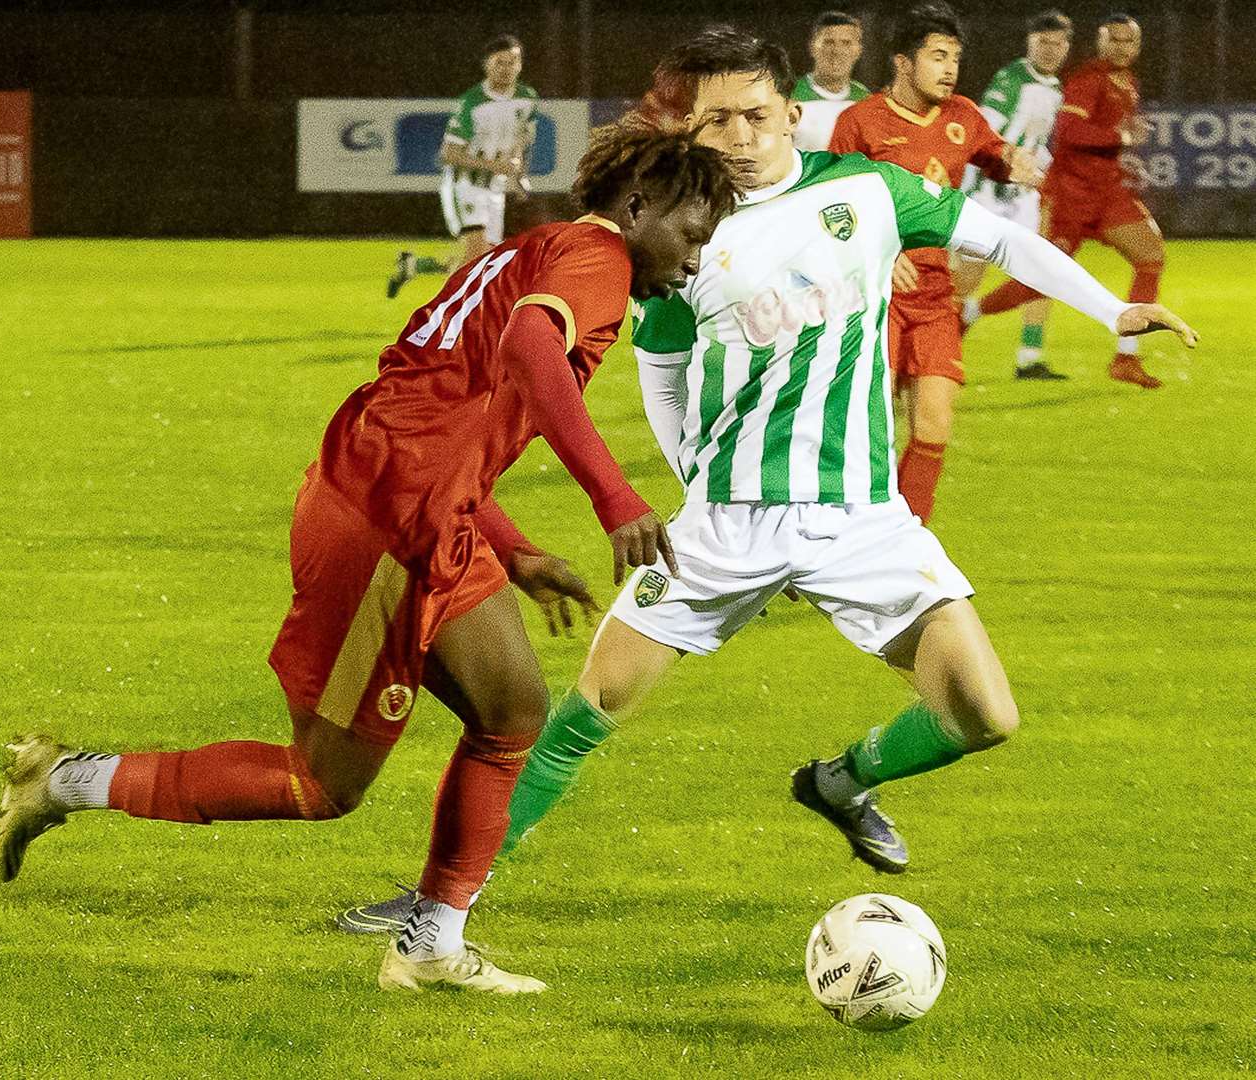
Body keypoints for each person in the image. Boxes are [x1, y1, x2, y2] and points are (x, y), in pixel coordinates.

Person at [336, 23, 1195, 936]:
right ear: (690, 130)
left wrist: (1113, 308)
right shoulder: (680, 232)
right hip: (725, 523)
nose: (739, 138)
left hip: (864, 518)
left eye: (754, 116)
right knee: (591, 706)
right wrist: (691, 482)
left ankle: (840, 781)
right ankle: (438, 902)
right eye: (716, 123)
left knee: (984, 714)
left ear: (791, 114)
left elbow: (1001, 240)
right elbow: (662, 373)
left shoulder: (865, 191)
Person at [0, 127, 741, 995]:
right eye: (691, 237)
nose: (693, 262)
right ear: (636, 207)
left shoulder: (528, 250)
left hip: (413, 500)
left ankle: (429, 946)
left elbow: (437, 409)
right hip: (383, 527)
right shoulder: (597, 262)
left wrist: (515, 548)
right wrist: (617, 498)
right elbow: (534, 352)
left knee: (512, 710)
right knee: (321, 784)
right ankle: (68, 779)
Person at [828, 3, 1044, 522]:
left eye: (955, 58)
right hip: (871, 293)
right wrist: (878, 248)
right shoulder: (859, 122)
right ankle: (825, 539)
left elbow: (997, 155)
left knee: (934, 424)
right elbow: (831, 207)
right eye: (938, 56)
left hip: (933, 292)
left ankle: (907, 539)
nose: (950, 69)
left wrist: (1018, 164)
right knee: (864, 432)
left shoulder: (962, 117)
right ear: (903, 61)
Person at [963, 14, 1166, 389]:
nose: (1121, 47)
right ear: (1100, 42)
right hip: (1057, 196)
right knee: (1037, 277)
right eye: (1114, 40)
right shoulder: (1081, 80)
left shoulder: (1118, 82)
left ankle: (1123, 354)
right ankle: (963, 318)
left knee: (1151, 255)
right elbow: (1070, 132)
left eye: (1129, 41)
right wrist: (1120, 137)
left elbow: (1052, 141)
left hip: (1096, 194)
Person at [955, 9, 1073, 380]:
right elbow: (987, 129)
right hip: (989, 192)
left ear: (1067, 47)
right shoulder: (1012, 80)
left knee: (1041, 270)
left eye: (1057, 44)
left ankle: (1029, 356)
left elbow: (1037, 141)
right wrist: (1009, 163)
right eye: (1043, 43)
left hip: (1023, 196)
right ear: (1029, 44)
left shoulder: (1055, 88)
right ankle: (934, 353)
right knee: (965, 279)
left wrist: (1043, 169)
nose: (1050, 50)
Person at [387, 35, 538, 299]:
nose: (506, 68)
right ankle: (447, 320)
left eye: (512, 62)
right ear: (486, 65)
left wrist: (519, 174)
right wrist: (494, 164)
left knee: (482, 261)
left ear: (520, 65)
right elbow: (449, 154)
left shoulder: (527, 98)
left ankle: (413, 266)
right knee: (478, 257)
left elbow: (524, 137)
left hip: (494, 188)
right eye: (499, 62)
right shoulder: (472, 103)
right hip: (464, 184)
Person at [791, 11, 869, 152]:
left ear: (858, 50)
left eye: (846, 43)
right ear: (813, 47)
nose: (837, 51)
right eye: (828, 42)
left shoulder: (865, 99)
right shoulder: (789, 95)